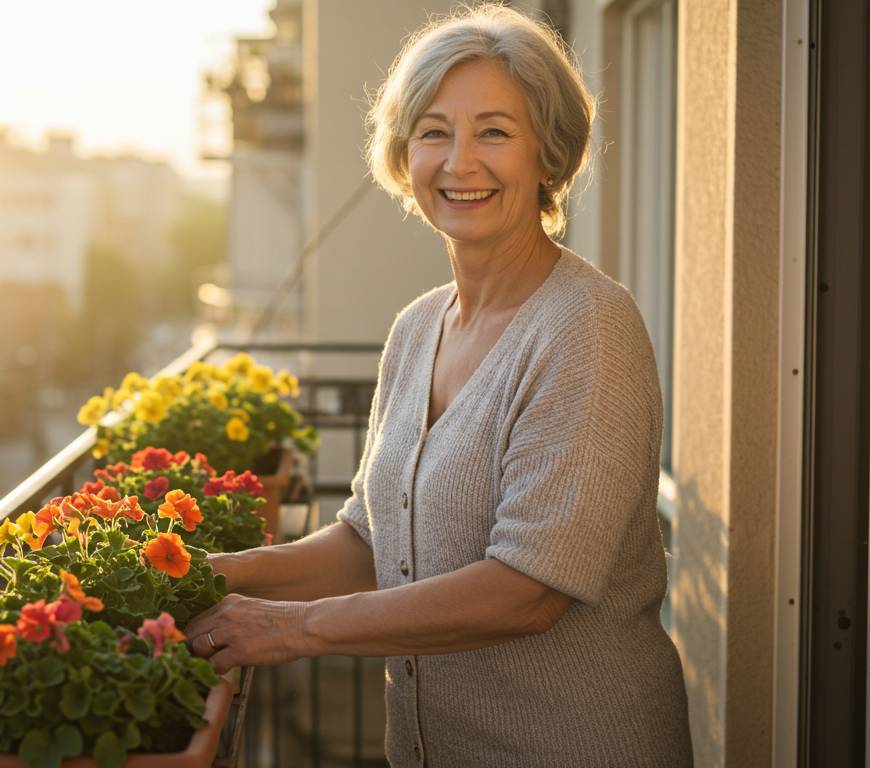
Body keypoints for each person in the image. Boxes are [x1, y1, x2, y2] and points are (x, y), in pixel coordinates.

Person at [185, 5, 693, 766]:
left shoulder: (586, 328)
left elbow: (528, 591)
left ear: (548, 155)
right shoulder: (417, 328)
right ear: (403, 156)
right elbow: (369, 539)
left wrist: (294, 628)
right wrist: (215, 576)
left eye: (494, 131)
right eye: (433, 132)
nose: (460, 162)